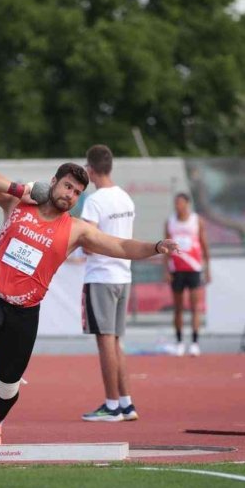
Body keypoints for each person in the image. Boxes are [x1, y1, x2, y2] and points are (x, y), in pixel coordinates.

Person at [0, 163, 178, 445]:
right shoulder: (17, 203)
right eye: (67, 186)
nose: (70, 195)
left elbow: (120, 246)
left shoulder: (77, 230)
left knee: (7, 384)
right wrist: (20, 188)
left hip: (24, 311)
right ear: (53, 182)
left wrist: (156, 246)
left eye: (77, 193)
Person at [78, 145, 138, 423]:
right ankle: (125, 403)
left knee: (105, 343)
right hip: (123, 275)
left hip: (101, 276)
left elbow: (89, 242)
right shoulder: (126, 198)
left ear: (90, 170)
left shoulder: (94, 200)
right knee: (115, 342)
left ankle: (112, 405)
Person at [165, 193, 210, 356]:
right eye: (176, 203)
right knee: (178, 308)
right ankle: (179, 342)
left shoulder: (196, 221)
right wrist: (166, 270)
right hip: (177, 269)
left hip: (194, 268)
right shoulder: (170, 222)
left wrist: (208, 268)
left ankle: (195, 342)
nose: (178, 206)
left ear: (187, 204)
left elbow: (204, 244)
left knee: (195, 307)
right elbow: (165, 247)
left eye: (181, 203)